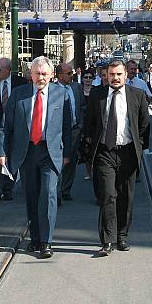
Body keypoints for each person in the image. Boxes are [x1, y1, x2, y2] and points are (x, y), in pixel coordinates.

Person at [0, 56, 72, 259]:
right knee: (31, 195)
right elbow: (6, 126)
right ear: (31, 74)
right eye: (37, 73)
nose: (41, 78)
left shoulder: (61, 94)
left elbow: (67, 128)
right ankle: (35, 237)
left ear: (52, 75)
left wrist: (67, 154)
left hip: (50, 152)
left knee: (48, 193)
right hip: (27, 152)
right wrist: (2, 152)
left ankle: (46, 241)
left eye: (45, 74)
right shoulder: (18, 95)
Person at [83, 59, 149, 255]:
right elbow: (90, 122)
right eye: (111, 75)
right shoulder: (97, 94)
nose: (115, 78)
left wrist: (139, 144)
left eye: (119, 74)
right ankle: (108, 240)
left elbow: (144, 124)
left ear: (126, 75)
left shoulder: (137, 95)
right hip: (105, 152)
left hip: (127, 152)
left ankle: (122, 235)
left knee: (126, 197)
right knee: (108, 195)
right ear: (106, 76)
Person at [0, 57, 27, 204]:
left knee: (12, 158)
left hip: (15, 127)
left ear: (8, 70)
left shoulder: (20, 83)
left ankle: (8, 189)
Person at [56, 63, 86, 203]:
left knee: (71, 160)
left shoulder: (77, 87)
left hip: (74, 130)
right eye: (68, 74)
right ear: (60, 75)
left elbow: (82, 107)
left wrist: (80, 126)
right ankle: (55, 191)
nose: (71, 76)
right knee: (58, 160)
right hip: (58, 131)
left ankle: (65, 189)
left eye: (72, 73)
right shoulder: (53, 89)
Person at [78, 69, 96, 181]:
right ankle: (89, 172)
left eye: (90, 77)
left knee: (94, 149)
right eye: (86, 77)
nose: (88, 79)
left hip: (93, 123)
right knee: (85, 150)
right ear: (83, 79)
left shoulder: (96, 91)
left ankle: (96, 171)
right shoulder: (79, 91)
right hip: (82, 123)